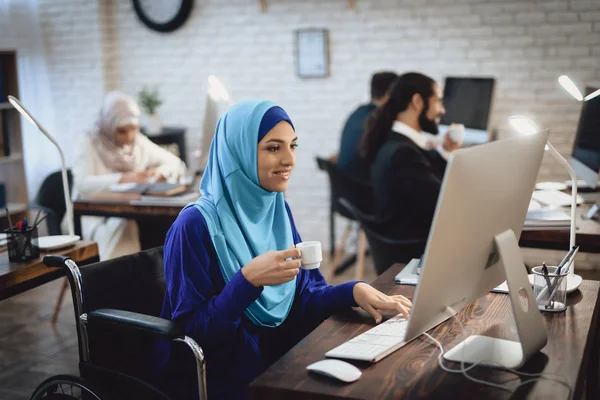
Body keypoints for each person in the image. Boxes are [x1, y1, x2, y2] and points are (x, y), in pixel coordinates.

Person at [152, 100, 412, 399]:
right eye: (273, 148)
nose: (289, 159)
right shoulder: (194, 225)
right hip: (216, 377)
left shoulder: (276, 209)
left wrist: (353, 291)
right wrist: (247, 281)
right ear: (239, 152)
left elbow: (301, 302)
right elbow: (192, 338)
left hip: (275, 358)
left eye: (293, 146)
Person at [69, 91, 186, 260]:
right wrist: (125, 178)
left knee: (171, 225)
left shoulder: (137, 142)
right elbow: (82, 184)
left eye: (134, 129)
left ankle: (158, 277)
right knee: (124, 226)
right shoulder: (89, 141)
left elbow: (176, 163)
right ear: (109, 125)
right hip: (96, 216)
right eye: (122, 131)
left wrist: (161, 172)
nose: (129, 137)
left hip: (134, 213)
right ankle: (117, 282)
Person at [360, 72, 462, 251]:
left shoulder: (393, 141)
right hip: (415, 250)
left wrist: (445, 151)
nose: (442, 110)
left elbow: (428, 183)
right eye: (438, 101)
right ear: (417, 102)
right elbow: (443, 202)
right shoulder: (404, 153)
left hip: (410, 240)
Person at [337, 71, 398, 184]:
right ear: (388, 95)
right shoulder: (380, 121)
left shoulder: (358, 113)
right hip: (365, 190)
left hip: (348, 191)